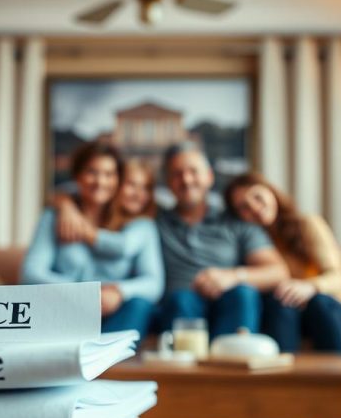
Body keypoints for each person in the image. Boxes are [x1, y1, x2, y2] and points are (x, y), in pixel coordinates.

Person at [57, 142, 288, 338]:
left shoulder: (237, 221)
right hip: (179, 308)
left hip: (228, 303)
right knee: (181, 299)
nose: (186, 180)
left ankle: (233, 377)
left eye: (193, 171)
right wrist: (64, 205)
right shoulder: (154, 218)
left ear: (209, 177)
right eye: (177, 174)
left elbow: (277, 271)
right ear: (168, 183)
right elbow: (77, 193)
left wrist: (232, 276)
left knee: (243, 293)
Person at [20, 143, 163, 339]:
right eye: (91, 172)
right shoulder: (55, 217)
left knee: (139, 305)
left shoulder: (136, 226)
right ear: (77, 175)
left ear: (118, 179)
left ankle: (100, 361)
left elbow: (153, 283)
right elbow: (31, 274)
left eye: (109, 174)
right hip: (66, 311)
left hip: (117, 314)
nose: (100, 181)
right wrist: (84, 294)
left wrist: (119, 292)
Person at [224, 172, 341, 353]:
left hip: (328, 305)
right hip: (290, 310)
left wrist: (308, 287)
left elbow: (338, 276)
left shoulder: (307, 224)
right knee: (280, 303)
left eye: (257, 197)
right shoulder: (250, 245)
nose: (254, 208)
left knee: (317, 303)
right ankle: (283, 379)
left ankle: (337, 380)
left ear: (271, 192)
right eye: (243, 207)